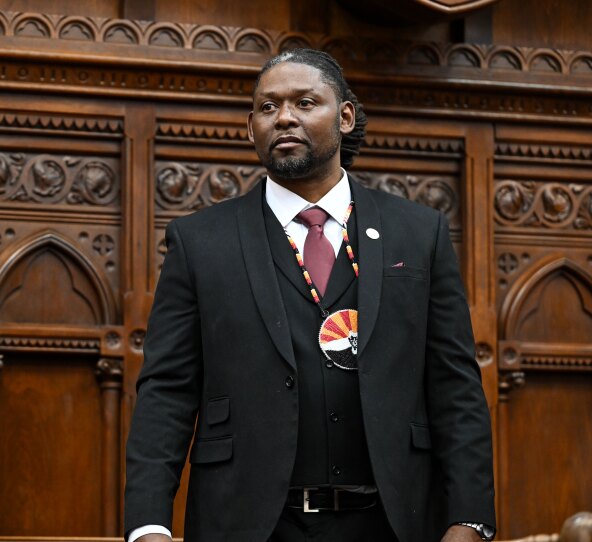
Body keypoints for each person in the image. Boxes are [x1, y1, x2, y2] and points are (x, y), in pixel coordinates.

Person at [123, 49, 496, 542]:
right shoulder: (200, 242)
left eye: (304, 102)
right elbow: (166, 392)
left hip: (393, 523)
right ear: (250, 127)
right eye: (267, 107)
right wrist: (148, 525)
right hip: (246, 525)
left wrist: (470, 520)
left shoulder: (418, 234)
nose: (283, 118)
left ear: (345, 117)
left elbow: (456, 387)